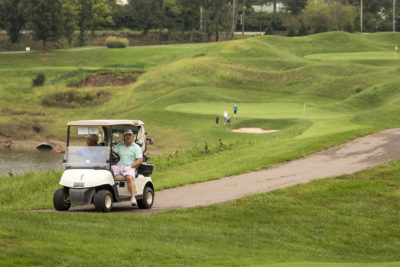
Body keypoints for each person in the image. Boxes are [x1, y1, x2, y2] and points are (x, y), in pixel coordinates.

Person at [112, 129, 143, 207]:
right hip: (119, 166)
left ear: (132, 136)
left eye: (130, 135)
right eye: (126, 135)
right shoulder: (119, 146)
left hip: (130, 166)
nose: (128, 137)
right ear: (124, 137)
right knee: (107, 174)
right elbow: (112, 153)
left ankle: (133, 198)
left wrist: (130, 166)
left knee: (129, 177)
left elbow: (139, 160)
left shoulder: (136, 147)